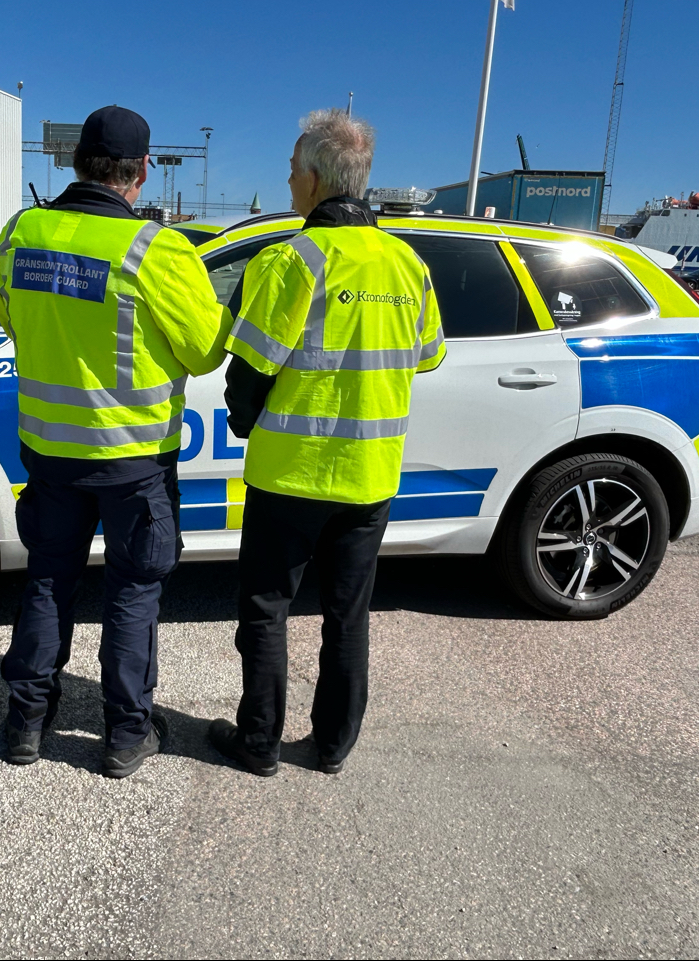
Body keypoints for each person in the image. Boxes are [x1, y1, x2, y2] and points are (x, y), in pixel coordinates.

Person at [0, 105, 229, 778]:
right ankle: (125, 735)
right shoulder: (157, 250)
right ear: (142, 171)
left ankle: (24, 724)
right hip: (133, 461)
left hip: (48, 452)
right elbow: (206, 350)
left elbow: (7, 314)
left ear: (75, 162)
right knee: (132, 593)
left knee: (47, 581)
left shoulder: (22, 231)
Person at [208, 109, 445, 777]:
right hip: (370, 476)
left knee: (265, 610)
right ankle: (333, 745)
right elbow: (428, 354)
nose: (287, 179)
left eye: (291, 169)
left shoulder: (292, 259)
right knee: (348, 616)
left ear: (314, 178)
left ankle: (259, 742)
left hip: (289, 473)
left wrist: (244, 420)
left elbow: (248, 371)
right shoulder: (408, 264)